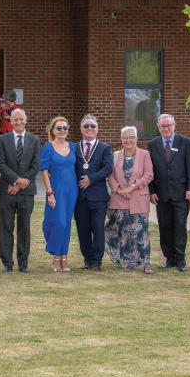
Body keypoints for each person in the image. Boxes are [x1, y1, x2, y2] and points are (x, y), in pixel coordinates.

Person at [147, 114, 190, 272]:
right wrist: (151, 191)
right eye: (163, 126)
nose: (166, 129)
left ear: (174, 126)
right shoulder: (152, 144)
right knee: (165, 226)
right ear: (158, 127)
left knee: (180, 226)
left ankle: (180, 259)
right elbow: (149, 170)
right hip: (161, 193)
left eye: (168, 126)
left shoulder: (185, 142)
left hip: (181, 193)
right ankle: (169, 258)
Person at [105, 126, 154, 273]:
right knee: (123, 232)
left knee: (141, 232)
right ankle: (125, 262)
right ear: (121, 140)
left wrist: (131, 187)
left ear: (137, 139)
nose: (128, 140)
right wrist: (120, 190)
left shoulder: (145, 155)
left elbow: (148, 175)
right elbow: (111, 176)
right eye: (125, 137)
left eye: (131, 137)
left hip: (138, 198)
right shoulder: (115, 155)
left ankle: (146, 263)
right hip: (119, 199)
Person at [0, 108, 40, 273]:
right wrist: (15, 180)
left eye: (21, 119)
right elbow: (1, 164)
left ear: (26, 120)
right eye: (15, 120)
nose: (18, 122)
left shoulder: (34, 140)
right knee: (6, 226)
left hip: (26, 191)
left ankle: (23, 262)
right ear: (11, 121)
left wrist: (20, 183)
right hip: (7, 189)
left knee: (24, 227)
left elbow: (36, 165)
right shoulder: (2, 140)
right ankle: (7, 262)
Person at [74, 114, 113, 272]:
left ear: (97, 129)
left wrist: (91, 178)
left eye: (92, 126)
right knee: (83, 230)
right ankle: (87, 260)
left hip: (98, 197)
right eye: (86, 126)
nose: (89, 128)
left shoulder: (105, 148)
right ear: (81, 129)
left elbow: (107, 168)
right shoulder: (74, 147)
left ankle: (97, 261)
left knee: (97, 228)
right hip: (80, 197)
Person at [40, 116, 78, 272]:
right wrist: (50, 193)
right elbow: (44, 170)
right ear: (53, 130)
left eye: (65, 128)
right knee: (59, 223)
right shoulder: (48, 147)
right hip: (56, 190)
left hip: (72, 190)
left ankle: (64, 258)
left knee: (67, 225)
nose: (62, 131)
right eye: (59, 128)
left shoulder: (72, 146)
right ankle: (56, 258)